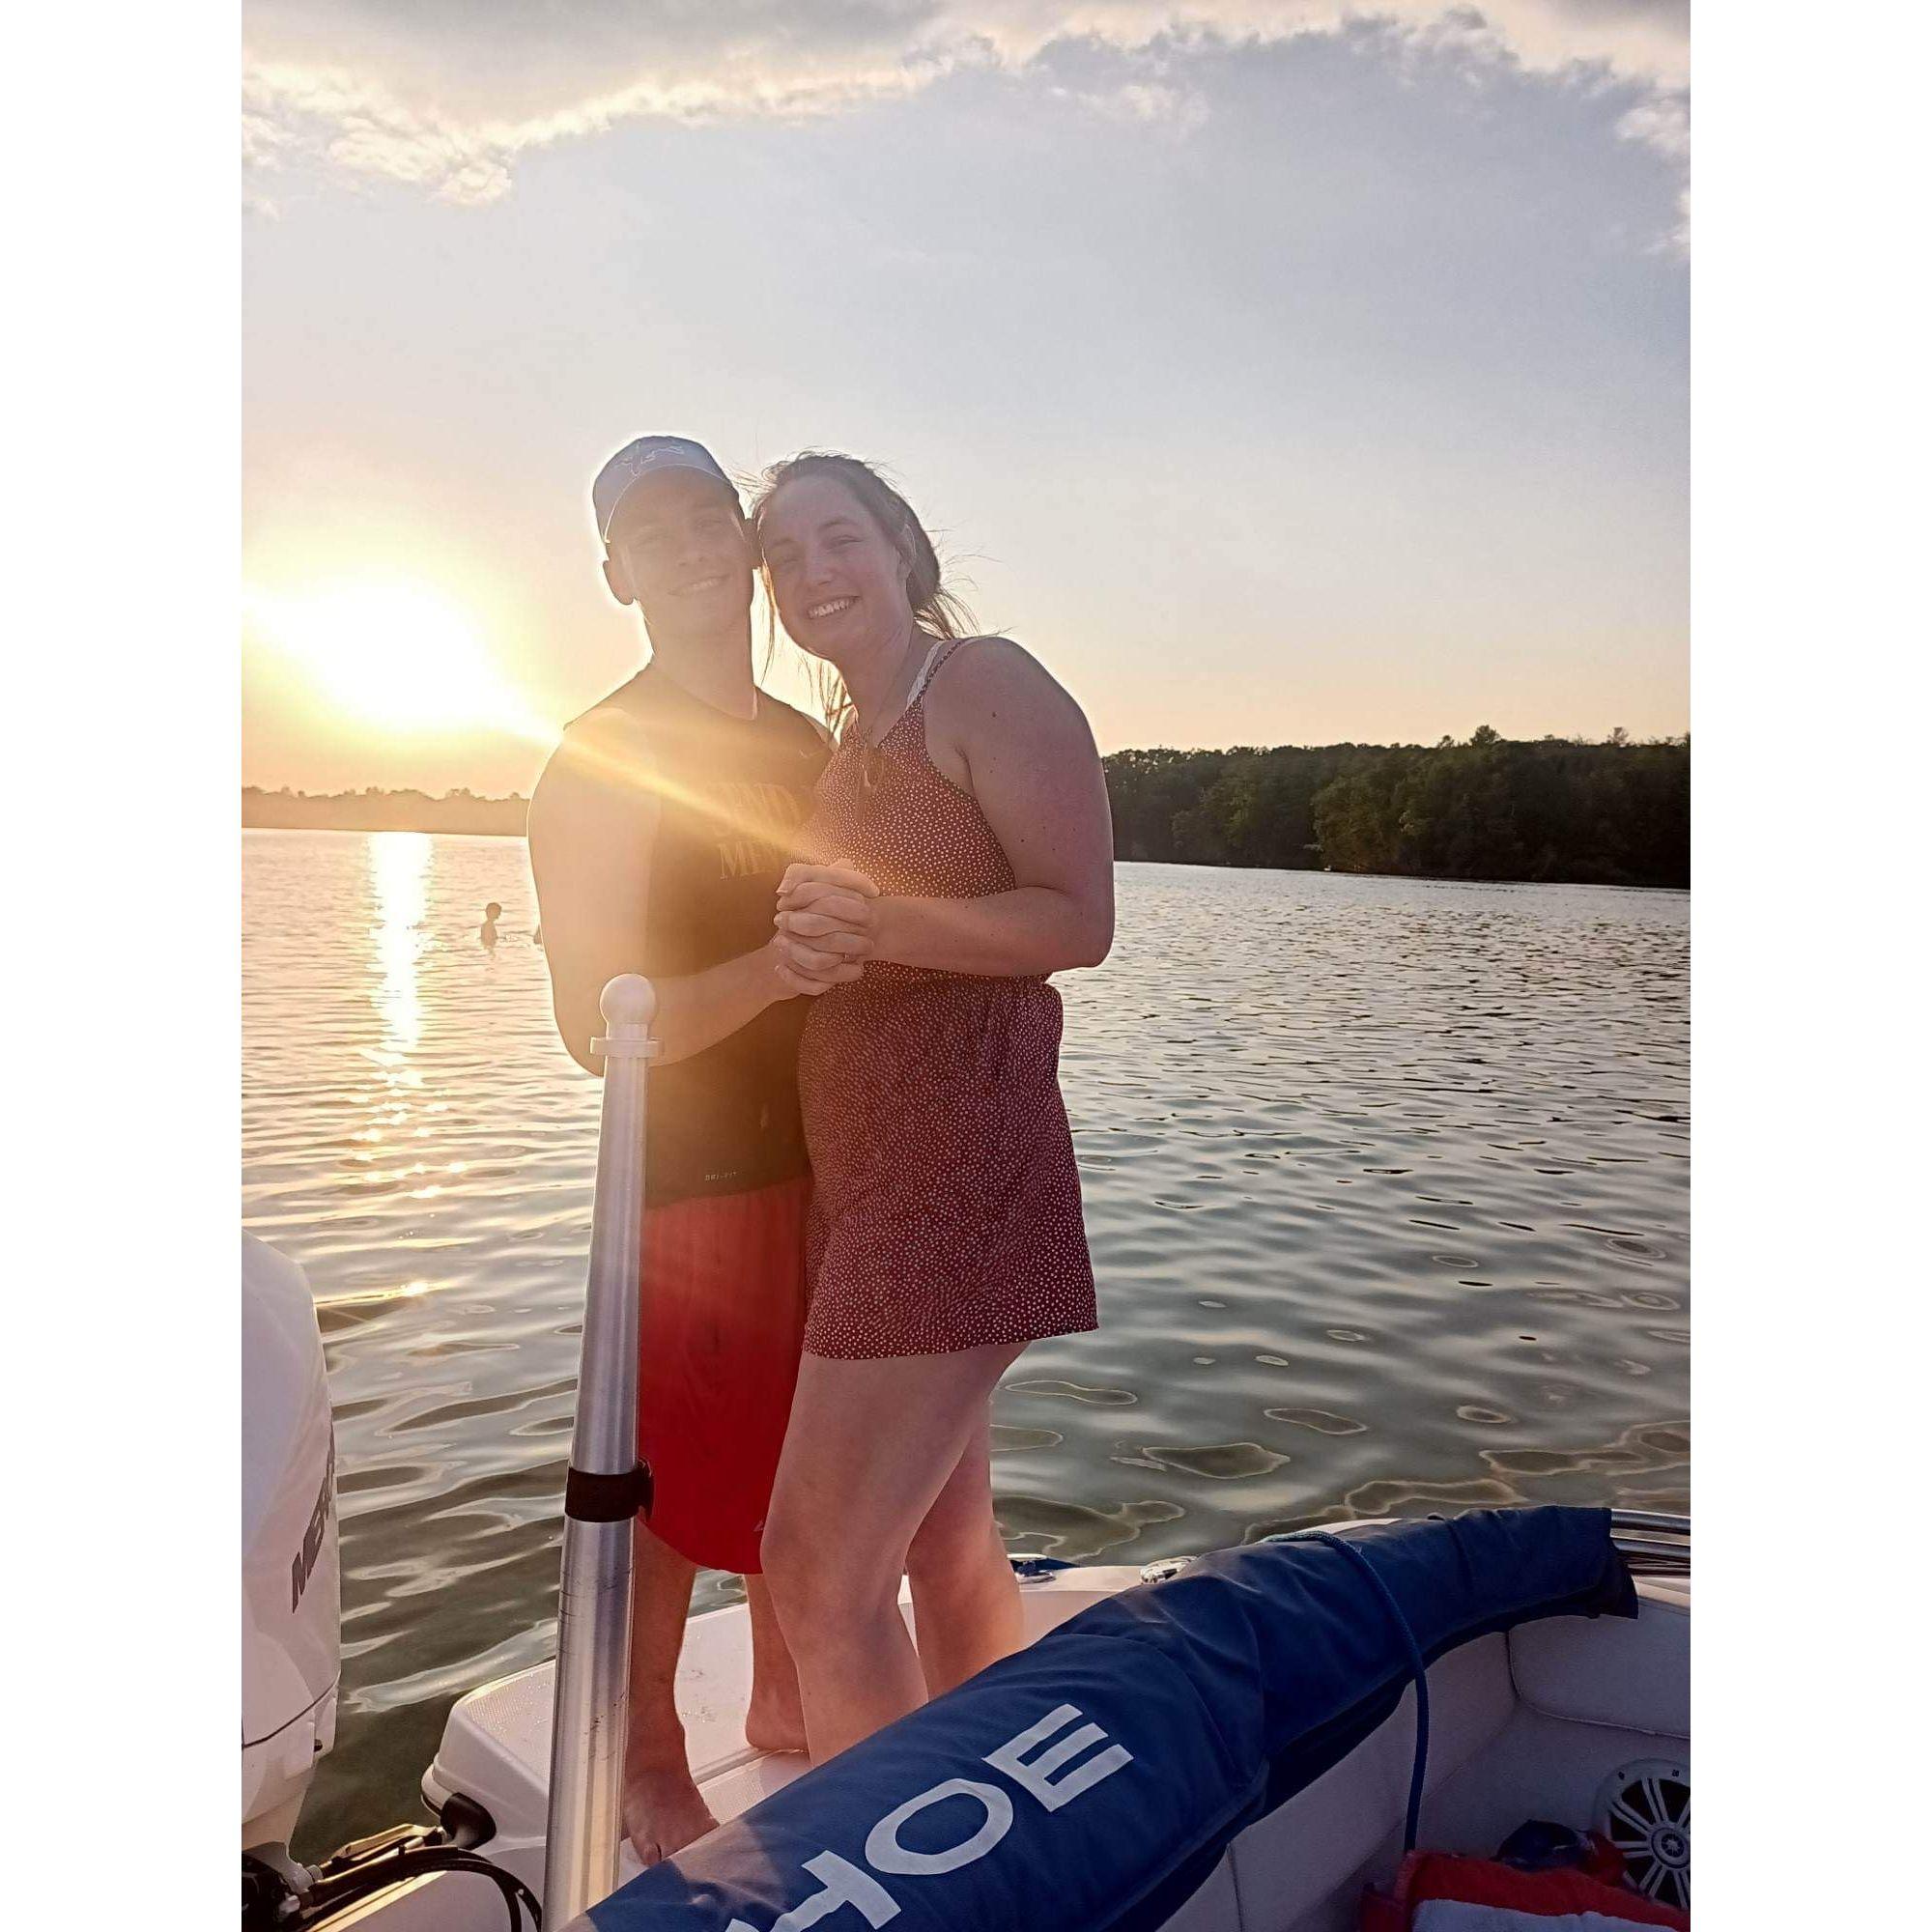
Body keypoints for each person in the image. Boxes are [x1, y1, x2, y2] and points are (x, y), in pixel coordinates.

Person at [748, 452, 1115, 1763]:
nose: (811, 574)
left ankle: (897, 1891)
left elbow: (1080, 919)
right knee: (947, 1547)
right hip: (875, 1182)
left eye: (836, 537)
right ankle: (1004, 1842)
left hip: (954, 1173)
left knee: (818, 1573)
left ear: (903, 547)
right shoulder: (856, 736)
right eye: (781, 559)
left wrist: (877, 924)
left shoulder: (984, 683)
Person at [527, 435, 833, 1860]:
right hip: (689, 1178)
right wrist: (776, 971)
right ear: (616, 574)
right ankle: (649, 1754)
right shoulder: (602, 754)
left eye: (710, 515)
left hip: (832, 1157)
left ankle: (784, 1695)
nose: (696, 545)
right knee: (661, 1480)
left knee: (808, 1450)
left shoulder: (804, 745)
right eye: (655, 533)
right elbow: (597, 1025)